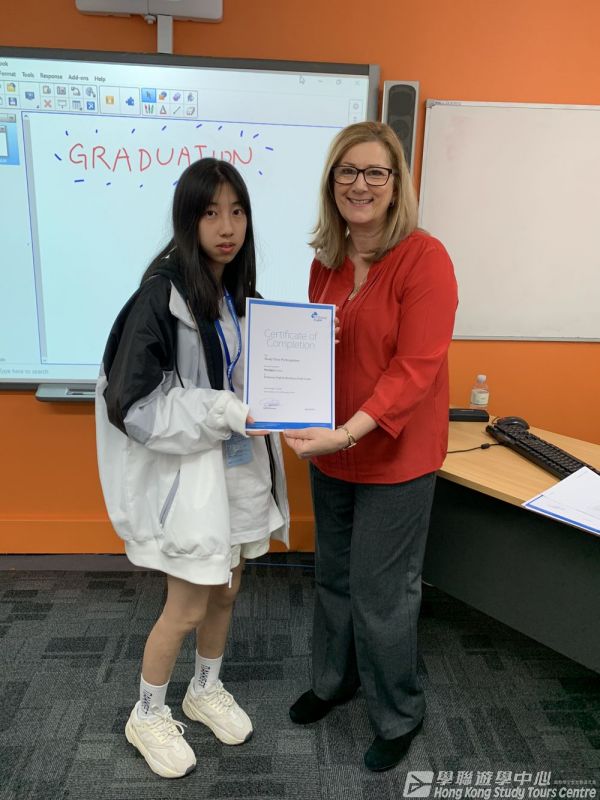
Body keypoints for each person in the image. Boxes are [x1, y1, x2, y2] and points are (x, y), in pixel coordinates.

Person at [95, 158, 289, 779]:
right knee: (185, 606)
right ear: (188, 219)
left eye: (237, 211)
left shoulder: (239, 293)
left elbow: (254, 378)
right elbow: (134, 406)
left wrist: (307, 362)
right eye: (210, 213)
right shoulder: (161, 296)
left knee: (227, 591)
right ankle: (147, 712)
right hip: (192, 482)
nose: (226, 227)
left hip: (240, 475)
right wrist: (223, 410)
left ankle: (204, 688)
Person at [284, 121, 457, 772]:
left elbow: (415, 369)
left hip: (394, 457)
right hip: (332, 450)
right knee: (332, 576)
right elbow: (321, 355)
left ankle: (398, 714)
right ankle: (335, 681)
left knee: (382, 592)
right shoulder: (325, 263)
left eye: (375, 172)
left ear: (395, 183)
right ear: (332, 182)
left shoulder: (424, 258)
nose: (360, 184)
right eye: (347, 171)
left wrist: (349, 430)